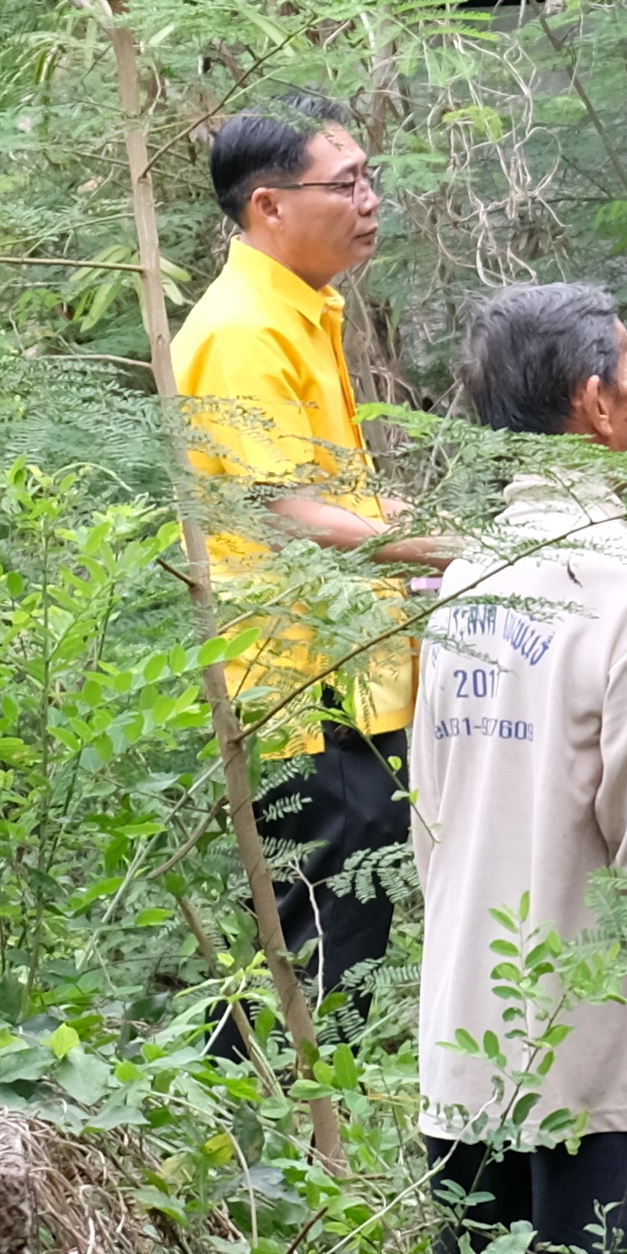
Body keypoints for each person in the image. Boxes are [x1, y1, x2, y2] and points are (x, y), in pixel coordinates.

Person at [409, 281, 627, 1254]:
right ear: (596, 403)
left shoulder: (464, 584)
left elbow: (431, 830)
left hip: (465, 1063)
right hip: (604, 1078)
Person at [171, 95, 444, 1027]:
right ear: (269, 207)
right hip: (303, 683)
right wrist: (442, 548)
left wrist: (396, 522)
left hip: (349, 670)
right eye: (346, 183)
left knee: (339, 929)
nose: (369, 200)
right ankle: (266, 1143)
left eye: (370, 178)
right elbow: (287, 515)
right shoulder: (243, 328)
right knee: (320, 944)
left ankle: (278, 1142)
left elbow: (321, 492)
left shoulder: (301, 311)